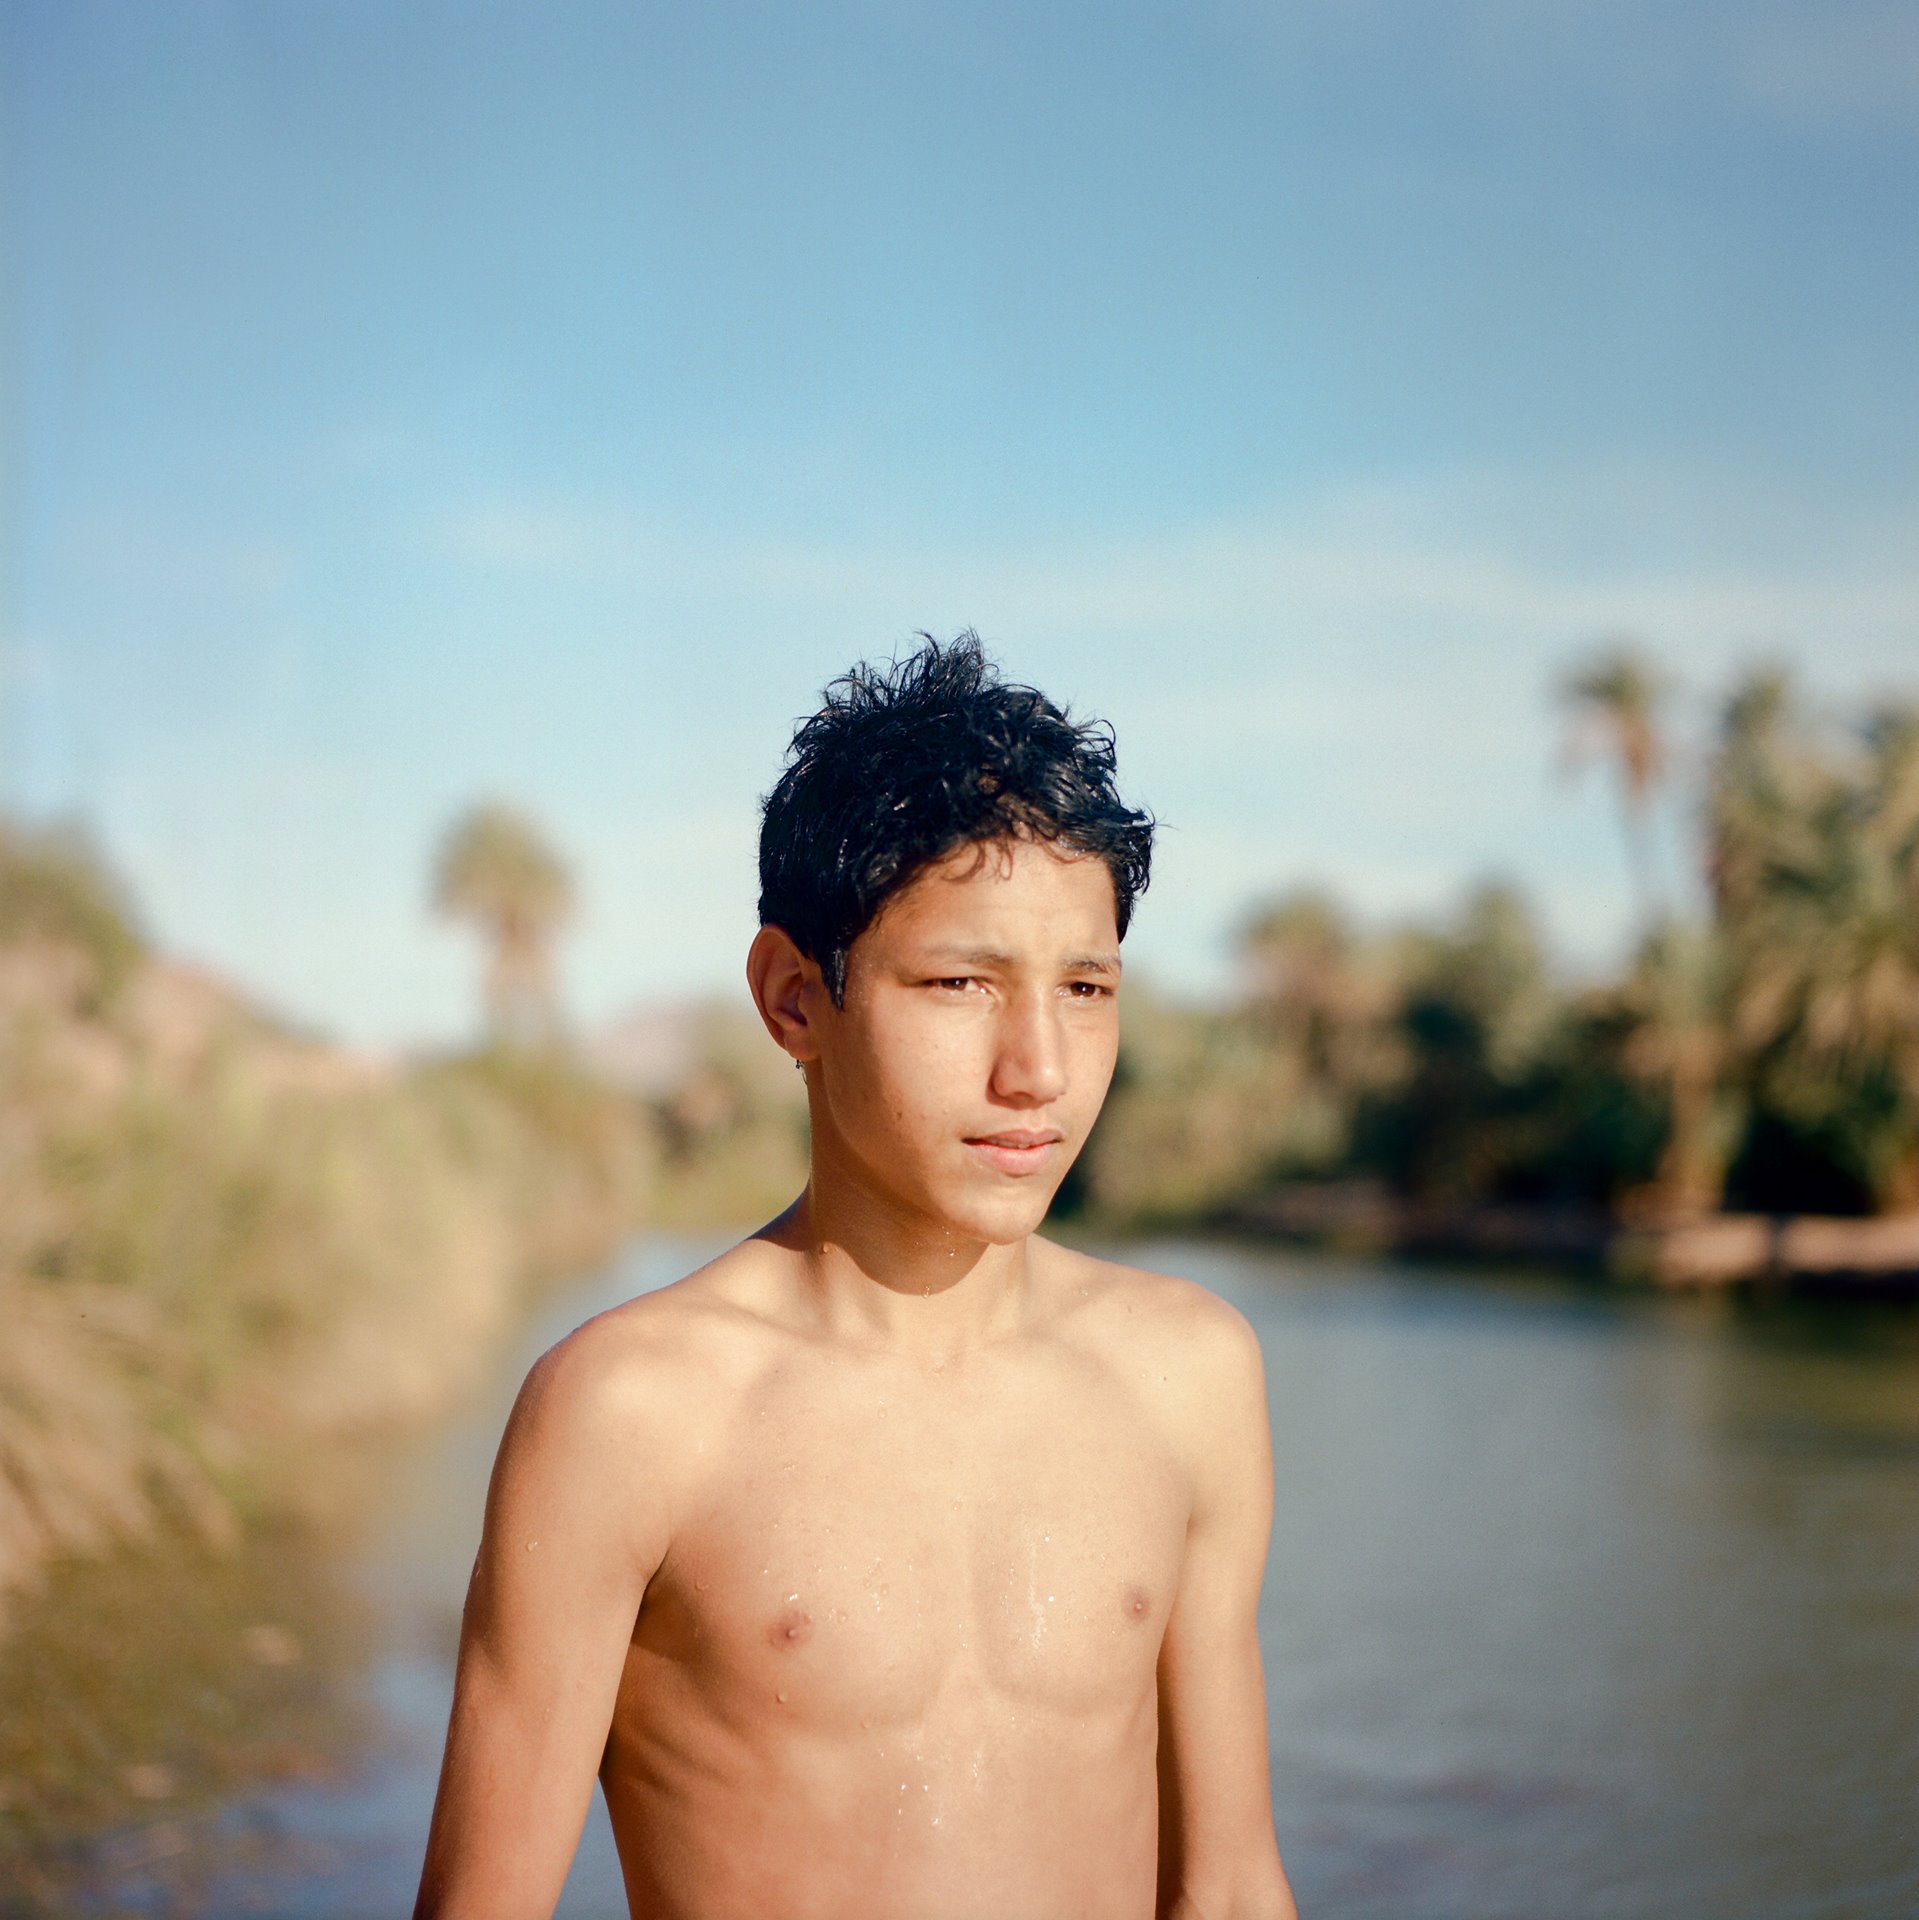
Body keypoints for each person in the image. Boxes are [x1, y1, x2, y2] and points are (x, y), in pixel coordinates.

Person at [414, 635, 1299, 1920]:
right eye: (959, 984)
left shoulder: (1187, 1373)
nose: (1038, 1069)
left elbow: (1225, 1885)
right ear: (792, 1001)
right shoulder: (632, 1412)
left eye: (1086, 986)